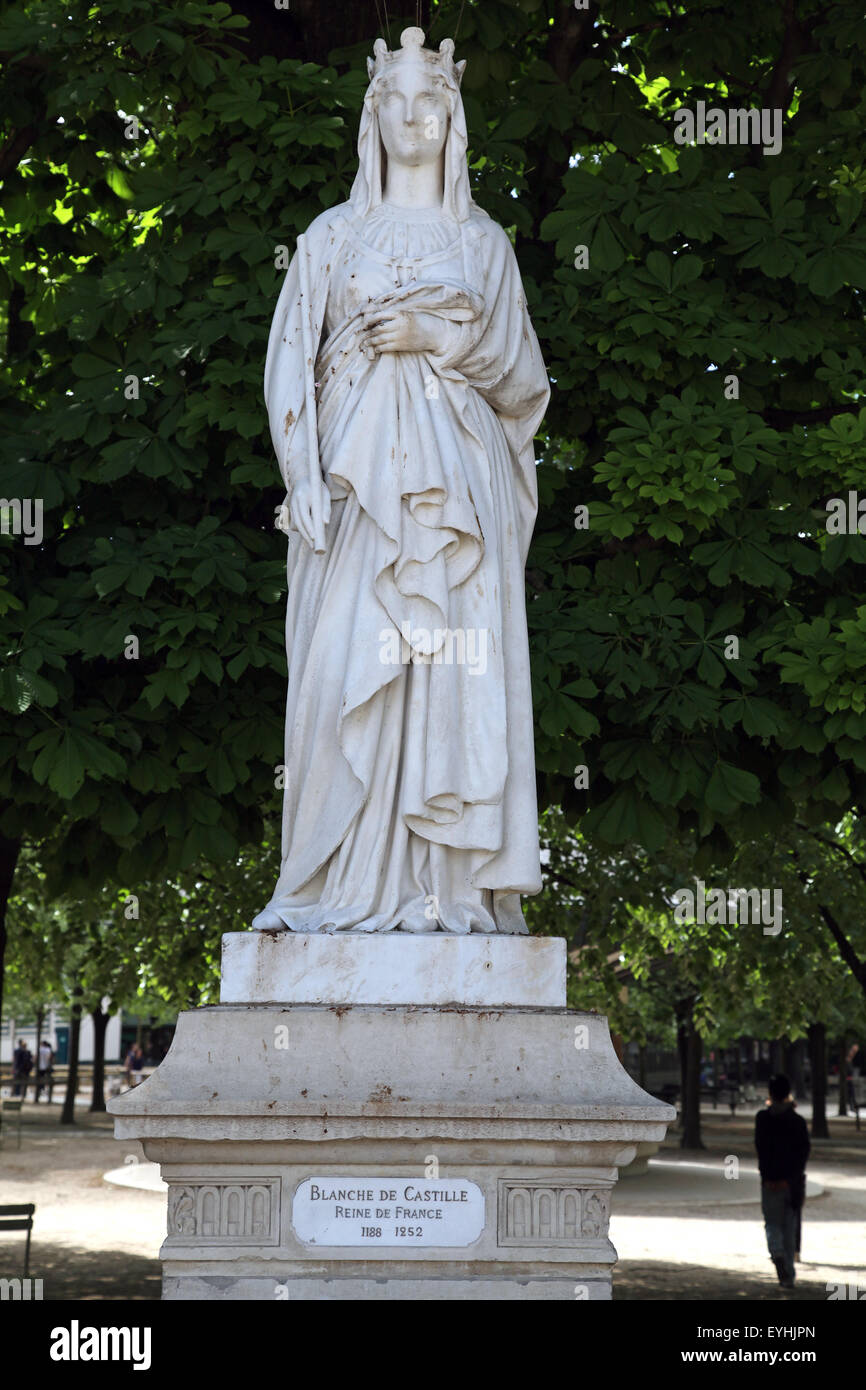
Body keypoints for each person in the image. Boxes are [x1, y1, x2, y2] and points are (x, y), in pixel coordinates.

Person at [253, 26, 549, 936]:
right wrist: (301, 476)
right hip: (351, 497)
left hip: (459, 500)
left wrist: (440, 341)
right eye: (397, 100)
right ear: (372, 115)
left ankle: (446, 889)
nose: (414, 117)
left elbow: (523, 379)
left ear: (453, 118)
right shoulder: (332, 237)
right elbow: (288, 361)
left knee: (451, 676)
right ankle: (331, 879)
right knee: (344, 669)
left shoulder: (484, 242)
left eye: (433, 101)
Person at [755, 1073, 810, 1288]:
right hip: (792, 1183)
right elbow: (802, 1152)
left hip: (769, 1181)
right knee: (789, 1226)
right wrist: (790, 1178)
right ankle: (788, 1275)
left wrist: (768, 1176)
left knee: (772, 1223)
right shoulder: (796, 1121)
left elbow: (761, 1148)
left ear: (770, 1093)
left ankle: (776, 1252)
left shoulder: (762, 1118)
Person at [34, 1038, 54, 1103]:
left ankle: (40, 1090)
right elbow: (50, 1058)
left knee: (39, 1078)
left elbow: (35, 1058)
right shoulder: (48, 1050)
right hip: (46, 1067)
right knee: (46, 1078)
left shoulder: (39, 1050)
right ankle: (44, 1089)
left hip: (39, 1067)